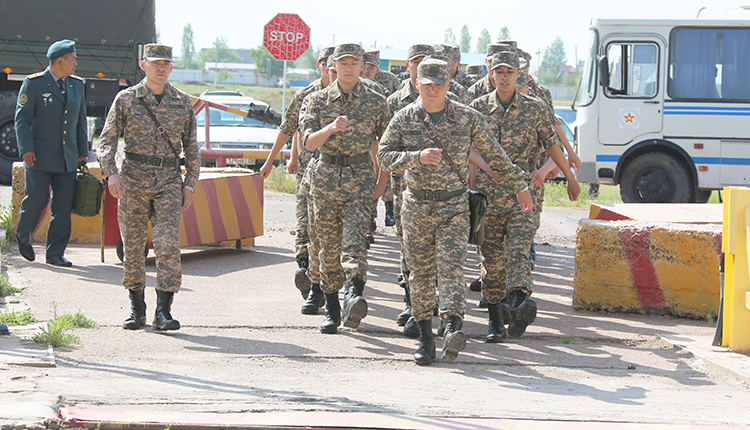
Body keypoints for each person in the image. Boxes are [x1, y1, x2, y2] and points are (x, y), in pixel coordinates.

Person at [378, 58, 531, 365]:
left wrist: (519, 185)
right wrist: (416, 156)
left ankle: (451, 328)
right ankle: (424, 336)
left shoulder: (467, 118)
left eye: (439, 84)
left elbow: (495, 156)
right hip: (417, 206)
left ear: (448, 84)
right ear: (417, 84)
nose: (433, 90)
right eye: (427, 84)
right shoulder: (404, 117)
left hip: (454, 207)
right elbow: (383, 156)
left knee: (452, 269)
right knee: (420, 272)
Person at [469, 51, 579, 342]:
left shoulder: (534, 108)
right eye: (499, 71)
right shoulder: (477, 107)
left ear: (520, 74)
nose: (504, 76)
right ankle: (495, 321)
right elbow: (466, 148)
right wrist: (470, 182)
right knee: (491, 261)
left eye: (510, 71)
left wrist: (569, 175)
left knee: (519, 252)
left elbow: (552, 145)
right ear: (491, 73)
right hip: (487, 196)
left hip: (522, 196)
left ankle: (519, 305)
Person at [97, 44, 200, 331]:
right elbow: (106, 141)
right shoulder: (127, 99)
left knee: (168, 245)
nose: (160, 68)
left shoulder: (181, 102)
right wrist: (111, 174)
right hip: (132, 181)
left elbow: (192, 148)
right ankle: (136, 308)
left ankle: (163, 311)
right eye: (155, 63)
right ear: (143, 65)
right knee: (133, 248)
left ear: (171, 67)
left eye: (166, 63)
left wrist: (189, 184)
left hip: (168, 181)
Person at [299, 43, 390, 334]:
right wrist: (330, 129)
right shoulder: (316, 100)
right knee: (327, 247)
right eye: (344, 63)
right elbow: (308, 143)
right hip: (324, 178)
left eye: (355, 63)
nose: (349, 68)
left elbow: (386, 147)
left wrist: (382, 185)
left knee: (354, 243)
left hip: (360, 179)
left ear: (363, 65)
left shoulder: (377, 101)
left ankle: (354, 294)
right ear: (333, 66)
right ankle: (333, 308)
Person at [260, 46, 335, 303]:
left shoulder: (357, 97)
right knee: (306, 226)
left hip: (344, 176)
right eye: (327, 63)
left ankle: (331, 282)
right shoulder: (307, 95)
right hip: (309, 171)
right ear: (320, 65)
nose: (331, 69)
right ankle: (306, 273)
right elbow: (288, 128)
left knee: (332, 233)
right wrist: (271, 161)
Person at [14, 39, 88, 267]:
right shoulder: (34, 84)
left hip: (68, 157)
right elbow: (22, 119)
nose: (76, 63)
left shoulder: (76, 85)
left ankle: (55, 253)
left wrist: (83, 152)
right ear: (60, 60)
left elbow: (80, 122)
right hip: (40, 156)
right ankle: (23, 236)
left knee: (63, 208)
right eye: (73, 59)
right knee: (37, 200)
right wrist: (26, 148)